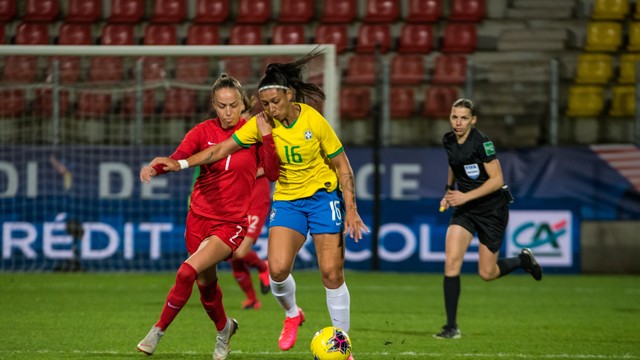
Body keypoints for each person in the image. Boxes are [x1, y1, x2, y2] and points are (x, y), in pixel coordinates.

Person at [146, 49, 369, 357]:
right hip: (288, 200)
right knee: (276, 270)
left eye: (275, 102)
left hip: (322, 198)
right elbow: (219, 150)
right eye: (264, 104)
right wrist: (181, 164)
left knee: (331, 273)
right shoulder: (261, 123)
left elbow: (343, 165)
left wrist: (352, 210)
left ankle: (343, 347)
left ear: (290, 95)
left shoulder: (313, 121)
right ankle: (293, 315)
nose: (269, 109)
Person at [137, 74, 279, 360]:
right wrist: (157, 168)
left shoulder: (253, 134)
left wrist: (267, 137)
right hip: (198, 218)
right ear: (213, 105)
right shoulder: (202, 131)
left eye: (233, 105)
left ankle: (157, 331)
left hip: (230, 223)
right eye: (221, 106)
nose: (228, 112)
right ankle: (224, 329)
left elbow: (274, 173)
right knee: (206, 285)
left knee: (186, 271)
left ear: (243, 104)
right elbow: (178, 159)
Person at [435, 98, 543, 340]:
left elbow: (496, 180)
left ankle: (523, 260)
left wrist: (464, 196)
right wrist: (448, 192)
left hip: (491, 210)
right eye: (454, 117)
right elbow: (454, 164)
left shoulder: (483, 143)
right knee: (451, 262)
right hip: (465, 210)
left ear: (473, 120)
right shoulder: (448, 139)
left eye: (463, 118)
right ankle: (450, 327)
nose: (458, 122)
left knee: (487, 273)